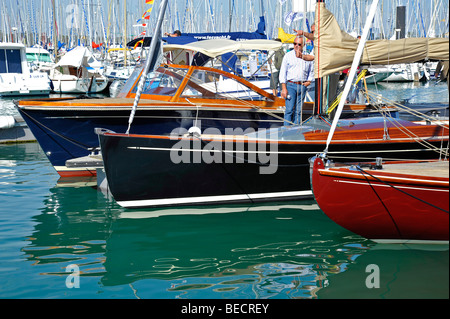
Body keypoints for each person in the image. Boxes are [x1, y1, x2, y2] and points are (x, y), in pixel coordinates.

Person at [279, 36, 314, 125]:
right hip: (291, 85)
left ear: (304, 45)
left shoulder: (307, 56)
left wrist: (309, 81)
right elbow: (283, 72)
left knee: (299, 111)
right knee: (289, 110)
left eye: (299, 44)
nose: (296, 46)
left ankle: (296, 130)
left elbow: (311, 70)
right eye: (295, 44)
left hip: (302, 86)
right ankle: (286, 130)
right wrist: (284, 88)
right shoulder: (288, 56)